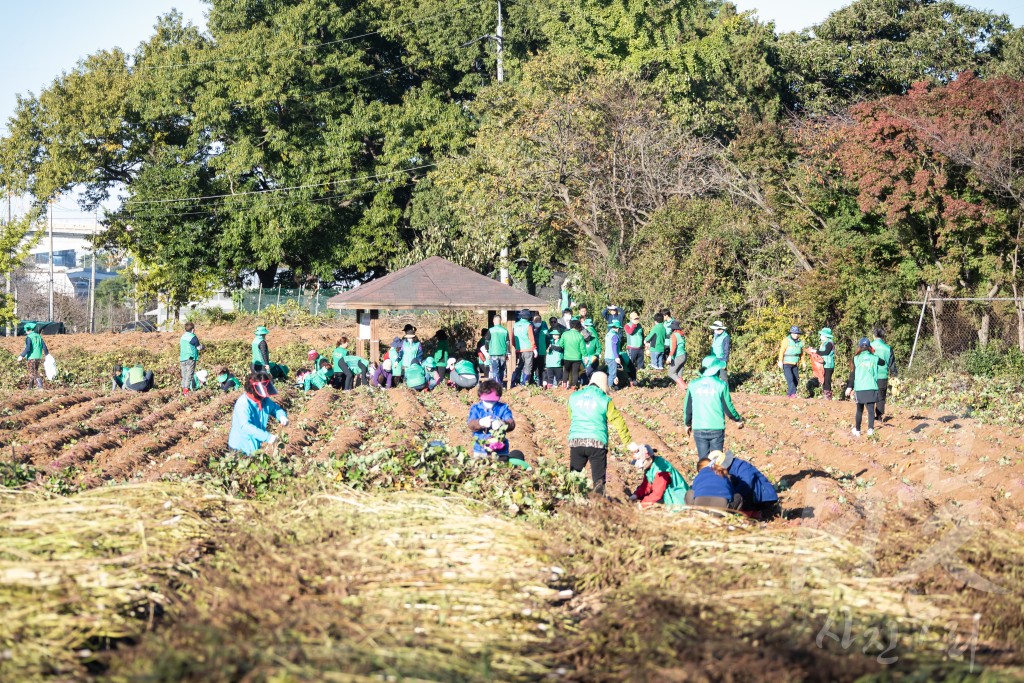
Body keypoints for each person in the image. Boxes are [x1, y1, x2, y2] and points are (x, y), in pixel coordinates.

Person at [567, 371, 639, 495]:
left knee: (574, 478)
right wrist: (628, 443)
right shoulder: (605, 399)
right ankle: (599, 505)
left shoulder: (574, 397)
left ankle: (572, 504)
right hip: (597, 443)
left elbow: (571, 416)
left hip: (576, 441)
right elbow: (618, 421)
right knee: (598, 481)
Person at [683, 359, 744, 459]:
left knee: (703, 460)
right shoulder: (721, 385)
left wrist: (687, 424)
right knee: (717, 461)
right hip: (716, 429)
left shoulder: (693, 385)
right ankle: (716, 474)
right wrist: (737, 419)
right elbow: (728, 407)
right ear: (716, 370)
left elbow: (688, 407)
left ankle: (704, 473)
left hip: (699, 428)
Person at [228, 372, 289, 455]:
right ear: (254, 389)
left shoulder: (264, 400)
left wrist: (282, 416)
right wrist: (267, 437)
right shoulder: (243, 403)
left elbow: (275, 409)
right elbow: (246, 426)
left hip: (254, 446)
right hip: (240, 447)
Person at [709, 450, 778, 518]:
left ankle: (753, 513)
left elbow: (747, 484)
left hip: (763, 496)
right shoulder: (727, 470)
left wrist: (734, 500)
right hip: (749, 495)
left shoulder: (741, 466)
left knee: (742, 491)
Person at [467, 380, 518, 460]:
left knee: (501, 469)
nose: (490, 404)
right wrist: (480, 422)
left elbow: (511, 424)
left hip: (500, 450)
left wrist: (502, 423)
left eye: (493, 402)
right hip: (480, 449)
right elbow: (470, 424)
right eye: (487, 401)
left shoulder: (503, 408)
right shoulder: (476, 409)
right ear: (480, 397)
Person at [847, 337, 886, 437]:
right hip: (871, 386)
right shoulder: (874, 358)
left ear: (860, 346)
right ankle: (870, 429)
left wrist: (849, 387)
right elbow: (882, 362)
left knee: (859, 410)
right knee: (870, 410)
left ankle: (858, 430)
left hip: (860, 387)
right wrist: (873, 353)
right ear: (869, 347)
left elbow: (853, 374)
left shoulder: (855, 358)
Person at [871, 328, 897, 422]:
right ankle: (879, 416)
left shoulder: (868, 346)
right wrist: (894, 375)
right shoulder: (888, 348)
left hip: (870, 374)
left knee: (870, 395)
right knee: (881, 396)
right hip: (882, 375)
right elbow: (892, 363)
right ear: (883, 336)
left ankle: (870, 415)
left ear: (873, 336)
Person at [17, 322, 49, 389]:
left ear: (28, 330)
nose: (25, 332)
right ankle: (30, 388)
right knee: (33, 371)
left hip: (31, 357)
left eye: (26, 330)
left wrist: (21, 356)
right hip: (38, 357)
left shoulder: (29, 337)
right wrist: (47, 355)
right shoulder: (39, 336)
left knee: (33, 372)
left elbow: (28, 348)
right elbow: (44, 347)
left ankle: (40, 387)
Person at [806, 328, 836, 399]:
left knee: (827, 380)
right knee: (823, 380)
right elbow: (820, 351)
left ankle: (828, 396)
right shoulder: (824, 343)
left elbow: (826, 352)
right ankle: (826, 395)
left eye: (821, 335)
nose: (820, 336)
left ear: (826, 336)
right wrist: (813, 350)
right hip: (823, 365)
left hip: (828, 365)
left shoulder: (829, 343)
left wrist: (815, 351)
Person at [778, 326, 807, 398]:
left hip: (795, 364)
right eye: (794, 333)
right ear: (791, 333)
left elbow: (802, 353)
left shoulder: (800, 342)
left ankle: (789, 394)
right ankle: (793, 393)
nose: (796, 335)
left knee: (796, 380)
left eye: (797, 333)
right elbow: (782, 351)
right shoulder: (786, 340)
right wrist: (780, 361)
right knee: (790, 379)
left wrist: (803, 362)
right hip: (786, 363)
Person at [512, 309, 537, 387]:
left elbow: (513, 338)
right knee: (528, 367)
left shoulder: (515, 325)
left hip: (519, 349)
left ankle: (514, 382)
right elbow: (531, 337)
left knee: (519, 366)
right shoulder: (528, 325)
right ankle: (524, 383)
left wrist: (515, 347)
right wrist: (534, 348)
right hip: (528, 349)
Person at [179, 322, 204, 396]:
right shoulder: (193, 337)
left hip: (182, 358)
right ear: (193, 329)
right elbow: (198, 348)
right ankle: (186, 391)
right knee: (189, 375)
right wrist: (203, 347)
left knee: (184, 375)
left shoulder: (182, 336)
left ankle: (183, 390)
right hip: (190, 358)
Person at [561, 320, 586, 389]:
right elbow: (583, 348)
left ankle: (564, 385)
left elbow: (561, 344)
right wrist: (585, 355)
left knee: (566, 371)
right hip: (577, 357)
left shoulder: (565, 334)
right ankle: (573, 386)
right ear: (578, 326)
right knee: (575, 372)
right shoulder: (580, 336)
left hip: (567, 356)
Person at [487, 316, 510, 385]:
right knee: (502, 370)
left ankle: (497, 385)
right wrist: (508, 353)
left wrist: (487, 351)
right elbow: (507, 342)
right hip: (503, 354)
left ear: (493, 321)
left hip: (493, 353)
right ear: (501, 321)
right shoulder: (505, 331)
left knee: (495, 370)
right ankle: (501, 384)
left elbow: (486, 341)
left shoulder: (490, 330)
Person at [603, 318, 623, 391]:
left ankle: (610, 385)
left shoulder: (608, 334)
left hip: (607, 356)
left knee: (610, 371)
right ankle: (609, 388)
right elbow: (614, 347)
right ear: (617, 328)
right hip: (612, 357)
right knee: (613, 373)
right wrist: (616, 357)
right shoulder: (614, 336)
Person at [666, 321, 687, 389]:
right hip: (684, 355)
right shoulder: (681, 334)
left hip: (679, 356)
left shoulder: (674, 335)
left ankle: (684, 385)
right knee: (679, 373)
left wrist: (669, 356)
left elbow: (674, 347)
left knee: (671, 373)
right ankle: (681, 387)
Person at [624, 312, 645, 381]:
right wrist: (633, 325)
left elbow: (642, 335)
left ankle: (641, 378)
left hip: (640, 348)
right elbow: (630, 332)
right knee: (630, 364)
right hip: (632, 348)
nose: (636, 320)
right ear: (631, 319)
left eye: (637, 318)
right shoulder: (627, 325)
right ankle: (630, 379)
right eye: (635, 319)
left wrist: (644, 344)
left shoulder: (639, 325)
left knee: (640, 363)